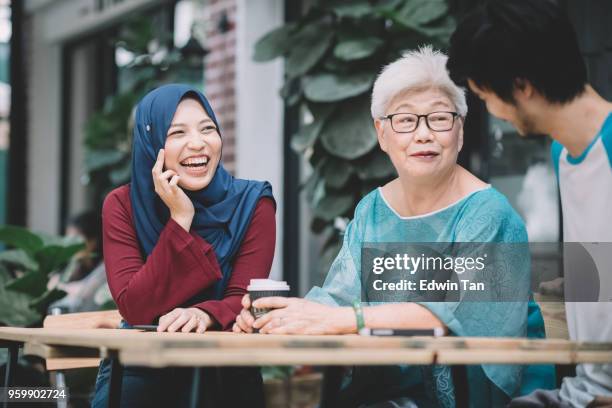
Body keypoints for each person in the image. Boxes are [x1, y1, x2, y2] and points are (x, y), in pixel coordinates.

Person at [234, 47, 553, 407]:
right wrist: (280, 315)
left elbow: (455, 314)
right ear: (382, 133)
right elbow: (338, 297)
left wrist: (343, 318)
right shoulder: (372, 210)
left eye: (439, 118)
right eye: (405, 120)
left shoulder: (489, 214)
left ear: (460, 131)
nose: (423, 134)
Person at [447, 1, 612, 407]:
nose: (492, 112)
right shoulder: (566, 154)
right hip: (584, 388)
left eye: (485, 96)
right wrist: (580, 285)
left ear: (522, 87)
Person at [91, 84, 276, 407]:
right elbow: (134, 307)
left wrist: (204, 315)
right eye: (177, 133)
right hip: (142, 365)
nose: (198, 143)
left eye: (208, 129)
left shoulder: (253, 203)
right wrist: (179, 219)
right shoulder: (122, 206)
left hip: (225, 365)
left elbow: (244, 298)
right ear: (152, 144)